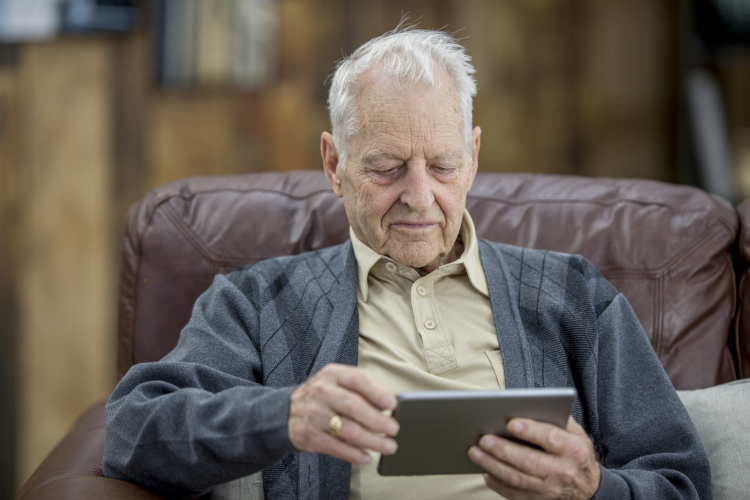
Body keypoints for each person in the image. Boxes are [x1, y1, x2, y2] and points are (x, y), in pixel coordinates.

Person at [103, 27, 710, 500]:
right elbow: (134, 432)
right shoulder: (257, 300)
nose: (420, 197)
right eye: (387, 167)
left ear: (472, 157)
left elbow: (682, 480)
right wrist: (283, 415)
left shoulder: (575, 293)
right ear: (334, 163)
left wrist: (594, 489)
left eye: (442, 166)